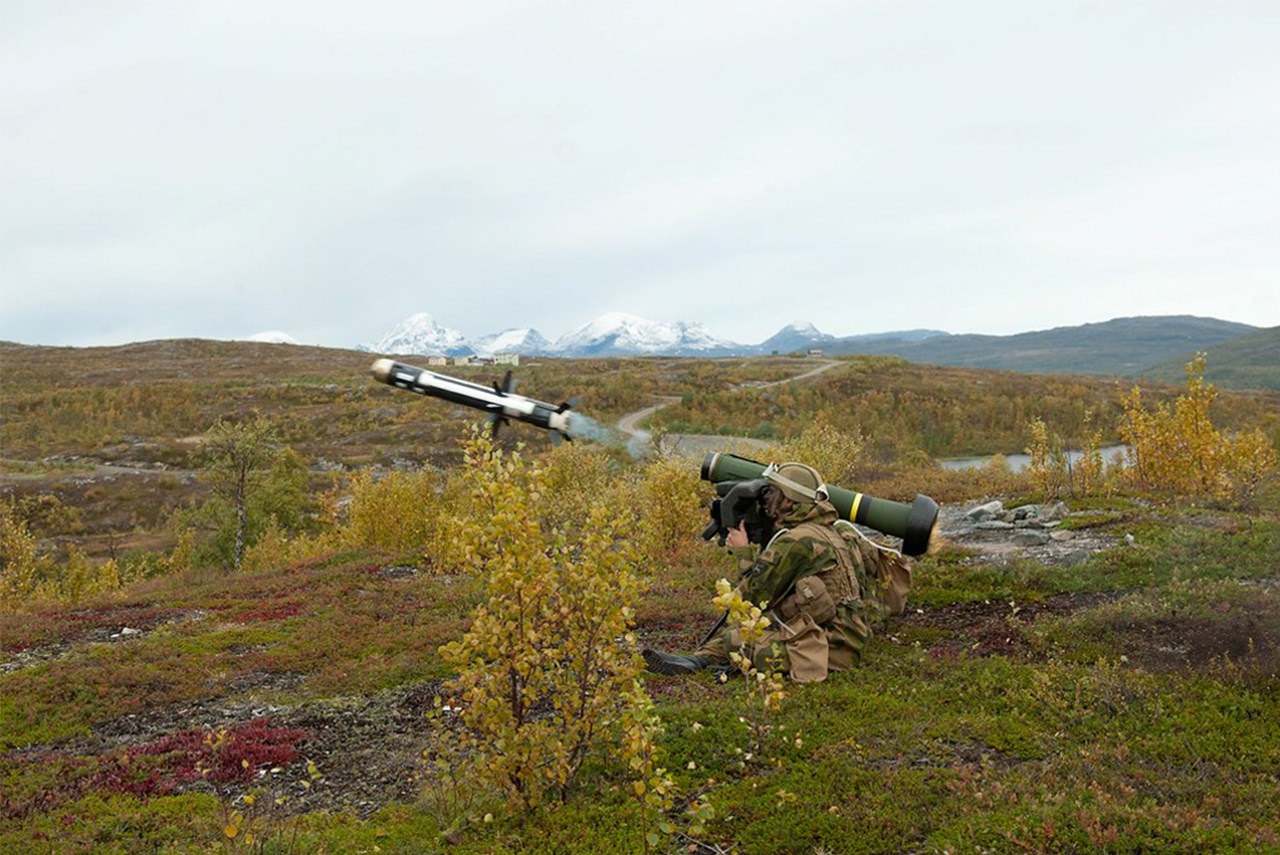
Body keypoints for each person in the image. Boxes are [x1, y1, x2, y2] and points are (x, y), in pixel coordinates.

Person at [643, 461, 879, 683]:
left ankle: (703, 661)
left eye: (772, 493)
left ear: (788, 501)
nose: (766, 501)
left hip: (833, 648)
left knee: (735, 639)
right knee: (740, 634)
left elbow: (752, 599)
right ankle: (696, 661)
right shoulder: (828, 530)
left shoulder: (798, 541)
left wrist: (743, 552)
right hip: (848, 635)